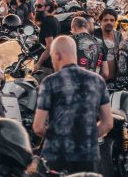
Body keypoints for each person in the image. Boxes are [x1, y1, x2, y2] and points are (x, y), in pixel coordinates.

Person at [33, 36, 113, 173]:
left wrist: (58, 138)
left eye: (51, 57)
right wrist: (86, 137)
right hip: (88, 155)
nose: (52, 61)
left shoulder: (50, 82)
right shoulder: (97, 80)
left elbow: (38, 127)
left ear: (57, 55)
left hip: (56, 155)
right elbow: (108, 123)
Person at [34, 0, 60, 78]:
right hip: (52, 63)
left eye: (39, 6)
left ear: (47, 7)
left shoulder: (46, 22)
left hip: (46, 66)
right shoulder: (55, 20)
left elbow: (49, 47)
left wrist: (38, 64)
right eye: (35, 6)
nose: (36, 9)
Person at [95, 8, 122, 81]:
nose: (109, 22)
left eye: (112, 20)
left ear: (115, 22)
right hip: (98, 79)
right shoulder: (94, 35)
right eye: (105, 20)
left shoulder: (118, 35)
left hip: (115, 80)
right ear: (100, 21)